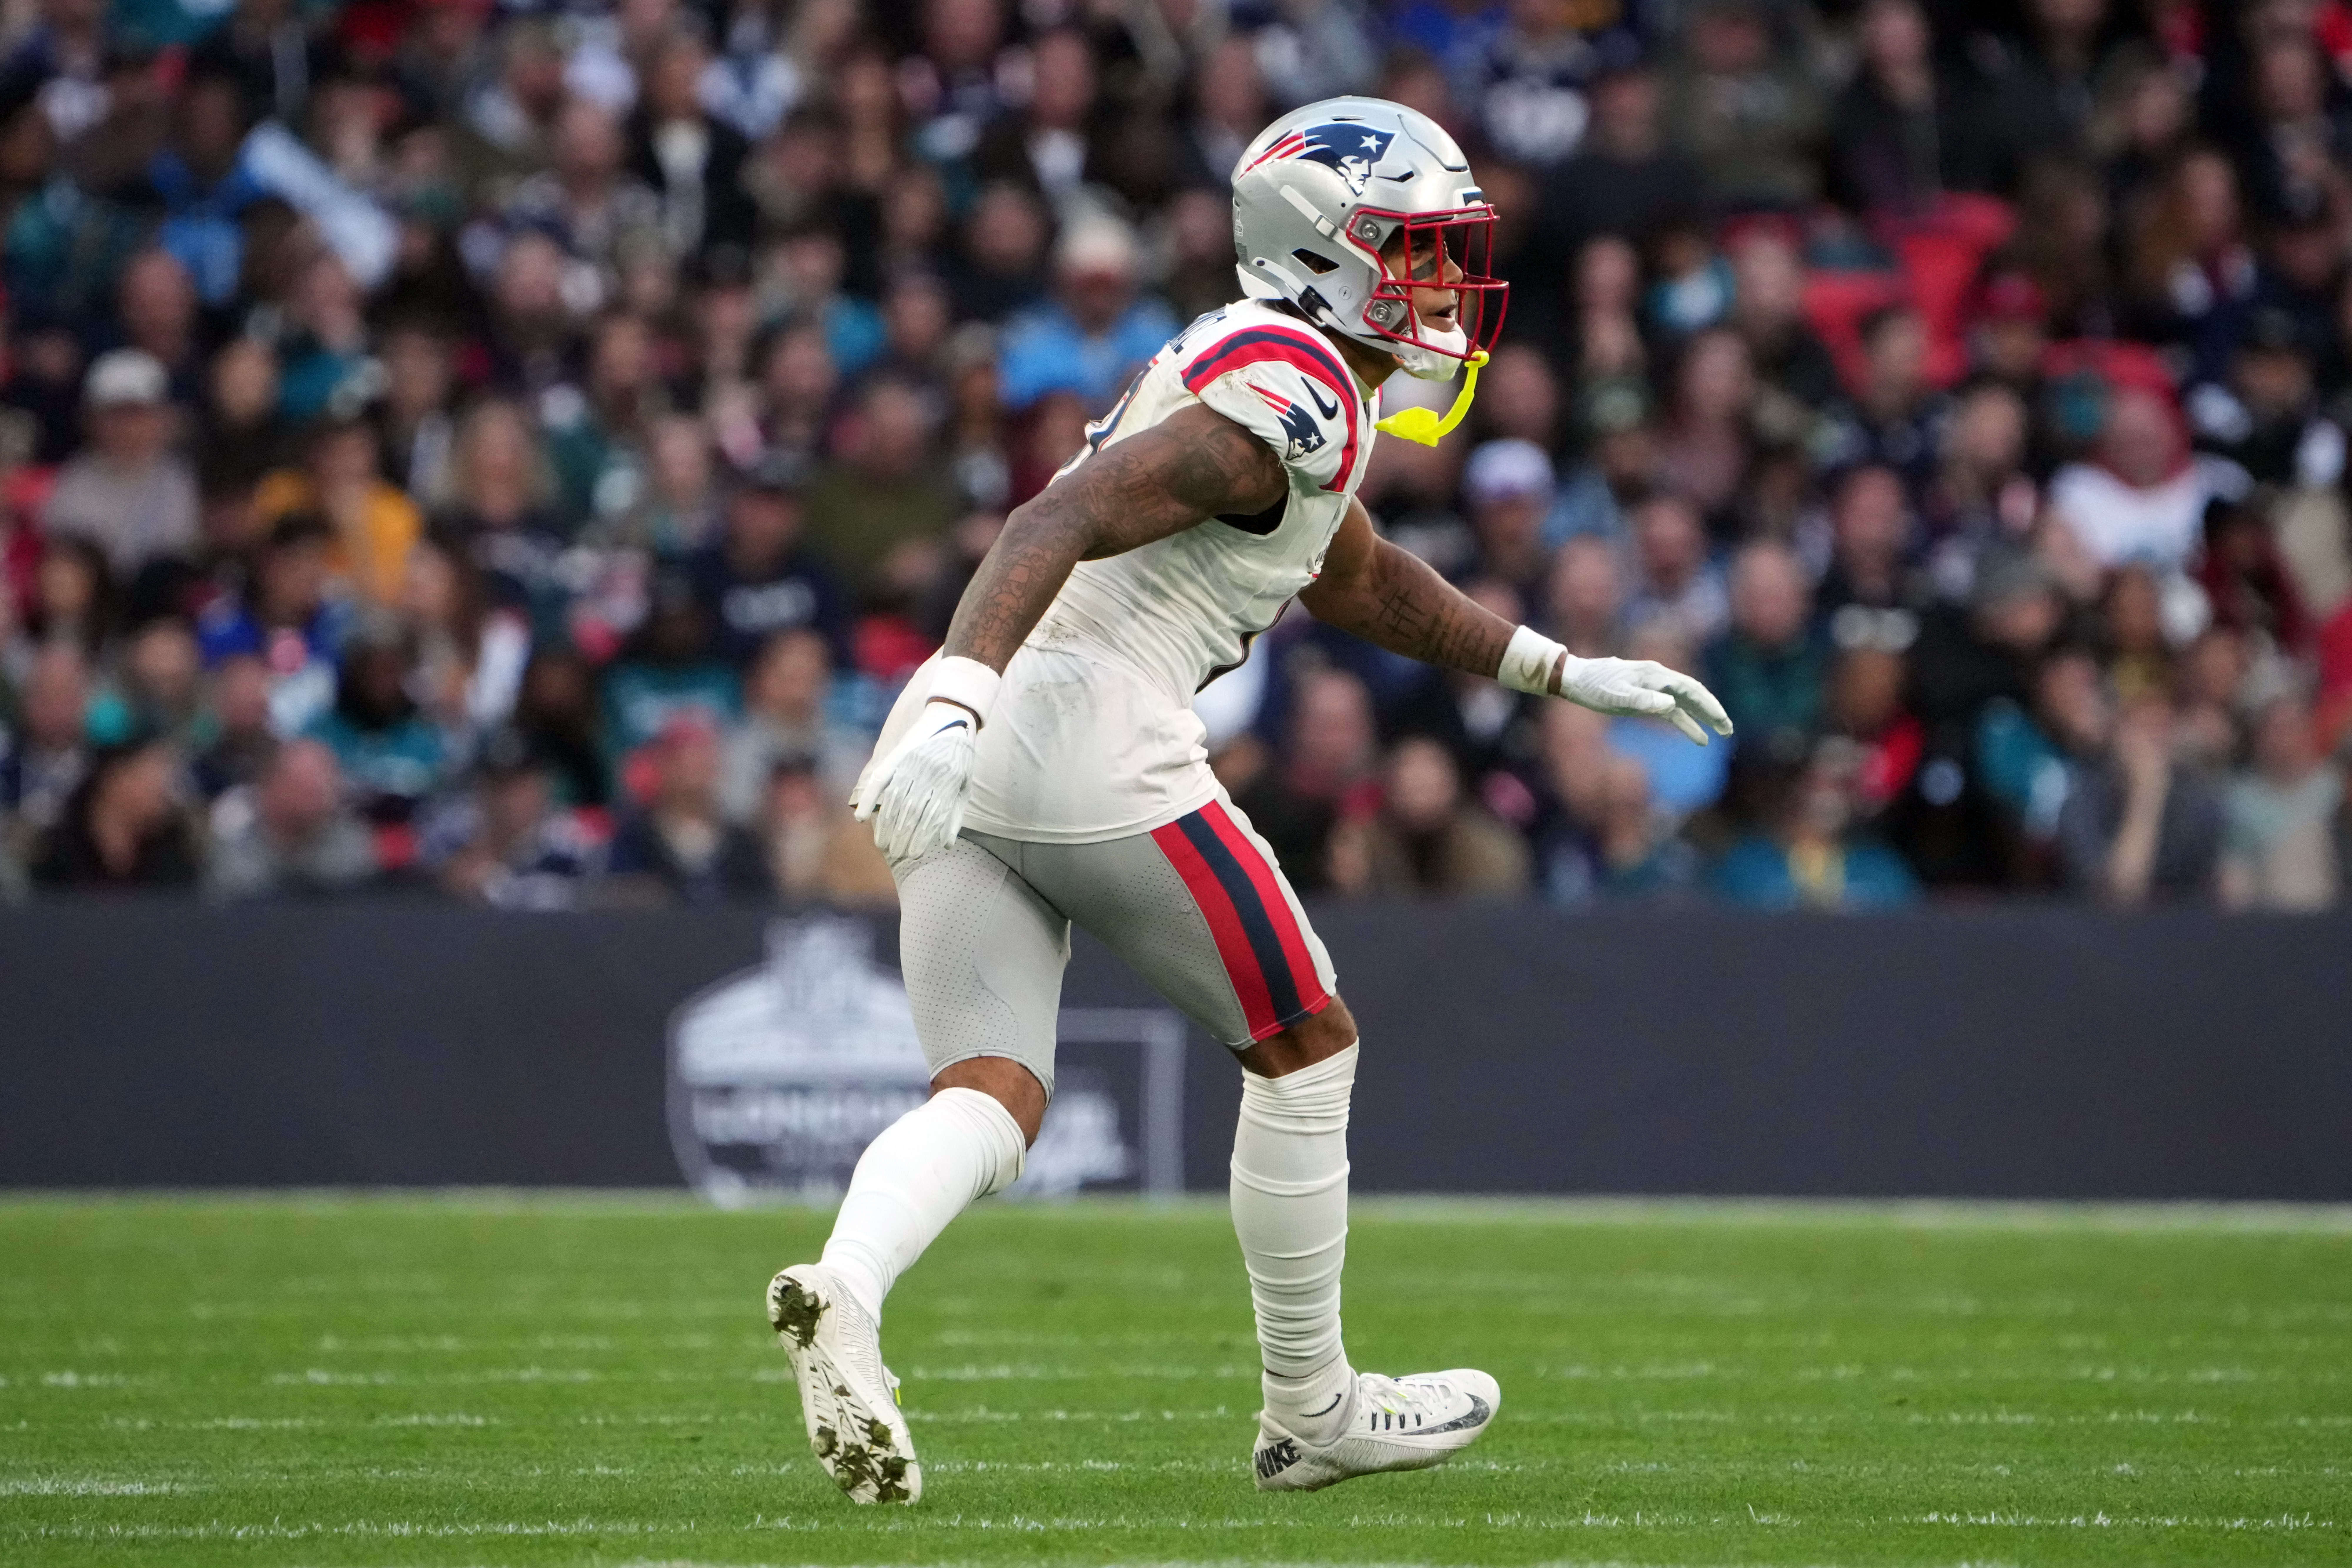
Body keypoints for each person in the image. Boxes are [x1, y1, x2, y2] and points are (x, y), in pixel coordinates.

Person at [767, 97, 1731, 1507]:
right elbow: (1055, 517)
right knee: (1305, 1042)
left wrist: (1563, 672)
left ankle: (843, 1290)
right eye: (1418, 248)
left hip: (971, 737)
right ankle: (1312, 1406)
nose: (1446, 281)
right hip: (1075, 725)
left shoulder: (1285, 380)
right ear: (1328, 250)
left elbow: (1357, 576)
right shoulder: (1298, 390)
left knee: (991, 1093)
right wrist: (969, 691)